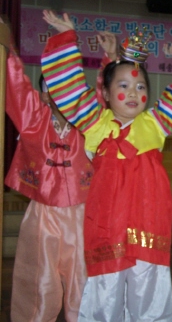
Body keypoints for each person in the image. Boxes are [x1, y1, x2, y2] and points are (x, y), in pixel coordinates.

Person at [41, 10, 172, 321]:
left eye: (139, 87)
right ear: (106, 95)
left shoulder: (156, 123)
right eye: (123, 86)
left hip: (148, 226)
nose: (133, 93)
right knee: (105, 294)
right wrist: (66, 38)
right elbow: (68, 90)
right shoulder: (94, 123)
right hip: (106, 228)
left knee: (147, 292)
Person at [5, 23, 93, 321]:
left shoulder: (87, 121)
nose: (61, 96)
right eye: (52, 89)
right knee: (39, 279)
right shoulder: (33, 119)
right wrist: (9, 52)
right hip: (42, 213)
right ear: (43, 96)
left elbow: (110, 99)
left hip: (80, 213)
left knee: (81, 278)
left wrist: (109, 59)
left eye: (67, 88)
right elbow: (16, 88)